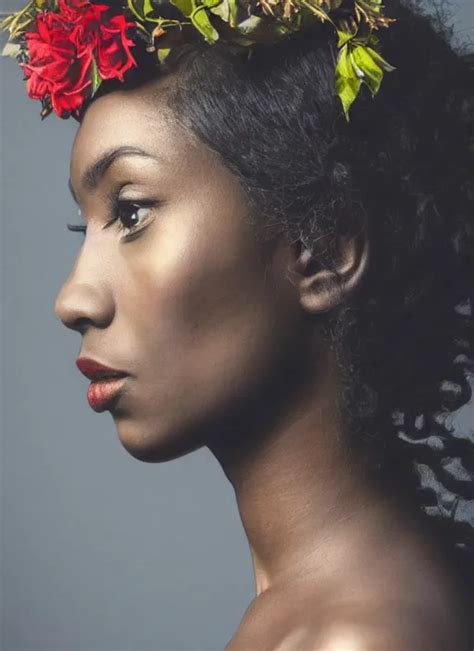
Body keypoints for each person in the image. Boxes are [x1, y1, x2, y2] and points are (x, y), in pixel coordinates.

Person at [3, 0, 473, 647]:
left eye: (132, 212)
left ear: (323, 249)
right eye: (85, 227)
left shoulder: (358, 636)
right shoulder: (313, 605)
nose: (72, 299)